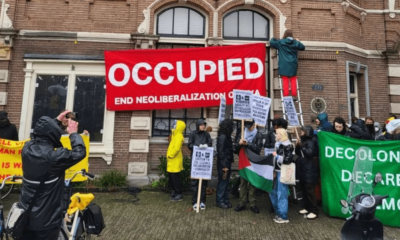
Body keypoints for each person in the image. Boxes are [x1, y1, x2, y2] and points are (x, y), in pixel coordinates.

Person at [19, 110, 86, 240]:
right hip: (47, 221)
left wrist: (55, 122)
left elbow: (39, 135)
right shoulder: (55, 157)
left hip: (25, 216)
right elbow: (79, 153)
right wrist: (73, 134)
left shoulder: (27, 149)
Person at [234, 119, 263, 214]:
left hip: (253, 160)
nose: (248, 128)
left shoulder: (258, 135)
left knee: (252, 182)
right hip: (243, 160)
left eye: (250, 126)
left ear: (254, 125)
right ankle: (242, 203)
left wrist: (247, 144)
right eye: (247, 126)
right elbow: (235, 148)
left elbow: (258, 148)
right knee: (243, 182)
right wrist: (239, 144)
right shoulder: (241, 133)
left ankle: (252, 203)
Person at [269, 29, 305, 101]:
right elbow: (303, 47)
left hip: (283, 64)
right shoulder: (295, 43)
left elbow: (271, 43)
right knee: (293, 79)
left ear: (285, 35)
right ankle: (294, 95)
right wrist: (298, 41)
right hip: (293, 64)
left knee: (285, 80)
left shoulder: (280, 42)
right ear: (292, 35)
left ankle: (286, 96)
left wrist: (273, 38)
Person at [188, 119, 212, 210]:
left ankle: (202, 201)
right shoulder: (193, 134)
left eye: (204, 125)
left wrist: (206, 146)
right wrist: (197, 147)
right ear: (198, 125)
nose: (203, 126)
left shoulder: (207, 134)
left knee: (204, 183)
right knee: (195, 182)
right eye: (201, 125)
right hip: (196, 161)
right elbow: (189, 145)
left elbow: (210, 143)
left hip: (204, 161)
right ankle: (195, 201)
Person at [270, 128, 294, 223]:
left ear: (281, 135)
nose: (275, 135)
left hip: (283, 172)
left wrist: (277, 156)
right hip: (277, 171)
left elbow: (288, 160)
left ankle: (283, 216)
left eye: (277, 134)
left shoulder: (287, 145)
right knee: (274, 192)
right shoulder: (278, 145)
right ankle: (279, 212)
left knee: (282, 193)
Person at [295, 126, 319, 220]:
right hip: (303, 169)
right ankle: (307, 207)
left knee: (310, 190)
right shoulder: (304, 141)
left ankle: (314, 210)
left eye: (303, 131)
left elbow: (309, 153)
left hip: (309, 169)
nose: (301, 132)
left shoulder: (311, 142)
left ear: (307, 132)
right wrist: (297, 146)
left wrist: (301, 146)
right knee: (304, 189)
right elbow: (298, 153)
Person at [216, 119, 234, 209]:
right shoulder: (223, 137)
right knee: (223, 181)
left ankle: (225, 199)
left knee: (226, 181)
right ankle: (220, 201)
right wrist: (224, 165)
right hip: (224, 162)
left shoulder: (226, 136)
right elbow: (220, 151)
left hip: (227, 161)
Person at [167, 120, 186, 202]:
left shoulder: (178, 136)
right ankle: (175, 192)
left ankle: (179, 194)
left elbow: (177, 148)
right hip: (172, 160)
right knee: (172, 177)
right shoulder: (175, 135)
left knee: (175, 178)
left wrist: (170, 155)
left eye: (175, 125)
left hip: (174, 159)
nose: (173, 126)